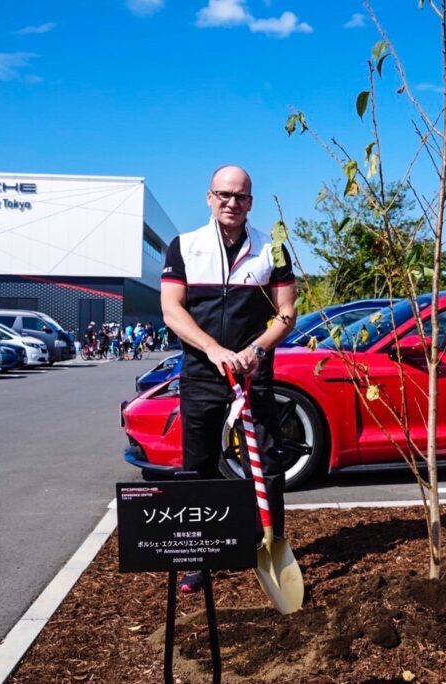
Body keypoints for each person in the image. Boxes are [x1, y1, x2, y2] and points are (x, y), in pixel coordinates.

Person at [160, 165, 297, 593]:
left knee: (268, 463)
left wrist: (256, 350)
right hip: (203, 372)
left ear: (251, 202)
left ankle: (267, 544)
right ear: (209, 197)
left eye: (240, 196)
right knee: (197, 464)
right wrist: (214, 350)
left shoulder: (272, 251)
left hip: (253, 372)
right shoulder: (183, 247)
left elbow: (287, 314)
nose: (231, 203)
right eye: (223, 194)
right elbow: (172, 310)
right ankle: (198, 557)